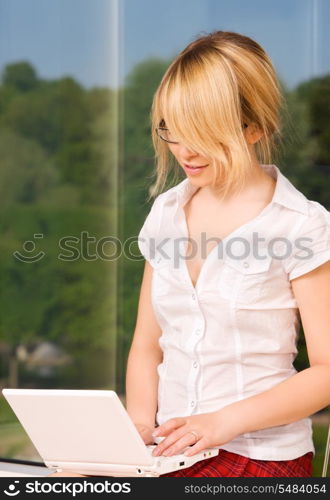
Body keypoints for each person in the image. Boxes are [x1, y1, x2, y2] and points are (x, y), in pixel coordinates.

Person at [49, 30, 330, 478]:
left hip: (260, 457)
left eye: (202, 135)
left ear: (254, 128)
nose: (184, 150)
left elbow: (326, 372)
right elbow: (147, 345)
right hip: (171, 450)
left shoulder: (301, 224)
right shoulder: (166, 212)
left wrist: (220, 423)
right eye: (172, 130)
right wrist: (141, 427)